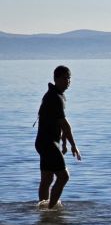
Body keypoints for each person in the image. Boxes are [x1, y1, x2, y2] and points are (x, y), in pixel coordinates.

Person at [35, 65, 81, 209]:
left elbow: (57, 122)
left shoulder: (55, 95)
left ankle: (43, 210)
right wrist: (74, 145)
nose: (68, 81)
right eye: (64, 78)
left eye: (69, 78)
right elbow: (65, 125)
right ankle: (51, 209)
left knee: (47, 178)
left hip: (44, 142)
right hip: (48, 143)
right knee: (63, 176)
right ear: (56, 79)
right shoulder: (55, 97)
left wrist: (64, 143)